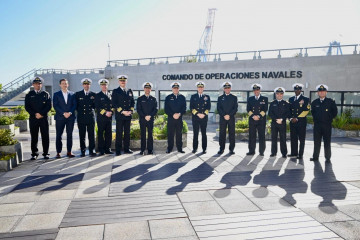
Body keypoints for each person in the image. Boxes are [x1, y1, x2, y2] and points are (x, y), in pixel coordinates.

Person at [24, 76, 52, 160]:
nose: (38, 85)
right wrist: (35, 114)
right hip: (33, 118)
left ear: (41, 84)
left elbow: (49, 106)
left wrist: (41, 114)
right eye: (36, 84)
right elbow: (27, 107)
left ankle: (46, 153)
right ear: (33, 84)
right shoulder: (29, 94)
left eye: (39, 84)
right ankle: (34, 153)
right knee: (34, 136)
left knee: (45, 136)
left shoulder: (45, 94)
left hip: (43, 118)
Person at [310, 84, 337, 163]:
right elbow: (313, 113)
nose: (321, 93)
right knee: (316, 142)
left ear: (326, 92)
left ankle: (327, 157)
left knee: (327, 142)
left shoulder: (330, 102)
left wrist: (328, 119)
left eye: (323, 91)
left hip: (327, 125)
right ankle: (315, 157)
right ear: (318, 93)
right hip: (317, 125)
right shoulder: (314, 102)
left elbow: (334, 112)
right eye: (320, 91)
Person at [53, 78, 77, 158]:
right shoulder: (56, 94)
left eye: (66, 83)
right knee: (59, 135)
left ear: (68, 84)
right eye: (63, 83)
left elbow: (74, 105)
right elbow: (55, 106)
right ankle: (58, 152)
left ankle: (69, 151)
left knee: (69, 135)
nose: (64, 85)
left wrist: (69, 113)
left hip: (70, 117)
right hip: (60, 118)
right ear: (60, 85)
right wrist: (63, 113)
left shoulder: (72, 94)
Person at [112, 75, 135, 155]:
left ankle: (126, 148)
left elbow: (132, 102)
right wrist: (122, 111)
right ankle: (118, 150)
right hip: (120, 116)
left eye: (124, 80)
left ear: (126, 81)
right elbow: (114, 104)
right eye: (121, 81)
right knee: (119, 133)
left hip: (128, 116)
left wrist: (131, 111)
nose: (123, 82)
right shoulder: (115, 91)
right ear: (119, 82)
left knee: (127, 133)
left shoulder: (129, 90)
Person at [75, 78, 96, 157]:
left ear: (90, 85)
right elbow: (76, 106)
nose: (86, 85)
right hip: (81, 117)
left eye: (88, 84)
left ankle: (92, 150)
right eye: (85, 84)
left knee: (91, 135)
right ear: (82, 85)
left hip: (90, 117)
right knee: (82, 135)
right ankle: (82, 150)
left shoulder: (93, 94)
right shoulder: (78, 94)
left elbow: (95, 106)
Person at [288, 83, 310, 159]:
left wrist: (297, 118)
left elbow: (306, 111)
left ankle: (300, 154)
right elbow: (289, 110)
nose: (297, 91)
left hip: (301, 122)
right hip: (292, 122)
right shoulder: (291, 99)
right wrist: (291, 118)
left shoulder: (305, 99)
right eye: (295, 89)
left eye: (298, 89)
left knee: (301, 139)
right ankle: (294, 153)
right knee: (293, 138)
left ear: (300, 90)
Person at [246, 83, 268, 156]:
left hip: (261, 120)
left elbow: (265, 109)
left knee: (261, 136)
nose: (256, 91)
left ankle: (261, 151)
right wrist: (253, 116)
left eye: (257, 90)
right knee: (252, 136)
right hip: (252, 120)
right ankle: (251, 151)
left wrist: (258, 116)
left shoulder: (265, 99)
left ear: (260, 90)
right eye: (254, 90)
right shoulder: (250, 99)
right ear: (253, 91)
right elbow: (248, 109)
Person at [136, 82, 158, 155]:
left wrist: (150, 116)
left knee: (150, 135)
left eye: (149, 88)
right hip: (142, 119)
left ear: (150, 89)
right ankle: (142, 150)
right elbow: (138, 109)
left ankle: (150, 150)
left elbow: (155, 109)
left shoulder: (153, 99)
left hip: (150, 119)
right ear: (144, 89)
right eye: (146, 88)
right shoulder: (140, 98)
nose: (147, 89)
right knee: (143, 135)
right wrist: (145, 116)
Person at [165, 82, 186, 153]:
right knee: (170, 134)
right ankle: (169, 148)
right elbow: (166, 109)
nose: (176, 89)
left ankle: (179, 148)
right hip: (171, 119)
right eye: (174, 88)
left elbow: (184, 108)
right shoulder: (168, 97)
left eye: (177, 88)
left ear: (178, 89)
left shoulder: (182, 97)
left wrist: (179, 114)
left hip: (179, 119)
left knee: (179, 134)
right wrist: (173, 114)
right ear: (172, 89)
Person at [268, 87, 290, 158]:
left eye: (281, 94)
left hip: (282, 123)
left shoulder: (286, 103)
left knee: (283, 138)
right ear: (275, 94)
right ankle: (273, 152)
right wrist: (276, 119)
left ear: (283, 95)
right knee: (273, 138)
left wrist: (282, 119)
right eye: (277, 94)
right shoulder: (272, 103)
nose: (279, 95)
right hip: (274, 123)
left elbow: (288, 113)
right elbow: (270, 113)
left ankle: (284, 153)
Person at [217, 82, 238, 155]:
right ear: (224, 89)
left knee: (232, 134)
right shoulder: (220, 98)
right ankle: (221, 148)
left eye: (228, 88)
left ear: (230, 88)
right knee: (222, 134)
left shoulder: (234, 97)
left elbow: (235, 108)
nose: (227, 89)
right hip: (223, 118)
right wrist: (224, 115)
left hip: (231, 118)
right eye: (226, 88)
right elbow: (219, 108)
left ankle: (231, 149)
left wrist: (229, 115)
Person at [190, 81, 211, 154]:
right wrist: (198, 114)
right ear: (197, 88)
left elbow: (208, 108)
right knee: (195, 134)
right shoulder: (193, 97)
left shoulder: (207, 97)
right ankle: (195, 148)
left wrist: (204, 114)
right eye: (199, 87)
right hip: (196, 118)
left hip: (204, 118)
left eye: (201, 87)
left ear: (203, 88)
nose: (200, 88)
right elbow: (191, 108)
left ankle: (204, 149)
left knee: (204, 134)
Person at [95, 79, 113, 155]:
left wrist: (111, 112)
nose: (104, 86)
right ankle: (101, 149)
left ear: (107, 86)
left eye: (105, 85)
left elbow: (113, 106)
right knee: (101, 134)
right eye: (102, 85)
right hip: (101, 118)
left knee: (109, 134)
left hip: (109, 118)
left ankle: (108, 149)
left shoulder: (110, 95)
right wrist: (105, 112)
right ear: (100, 86)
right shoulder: (98, 95)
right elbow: (97, 107)